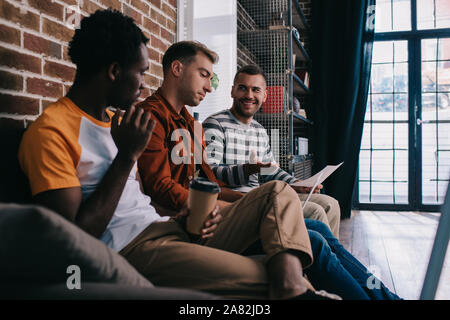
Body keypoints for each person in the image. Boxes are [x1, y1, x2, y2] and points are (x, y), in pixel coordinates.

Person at [18, 9, 333, 300]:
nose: (143, 86)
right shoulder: (52, 132)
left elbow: (148, 195)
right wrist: (127, 157)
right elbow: (70, 240)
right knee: (279, 273)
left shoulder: (118, 122)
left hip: (165, 227)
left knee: (277, 194)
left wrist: (187, 215)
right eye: (140, 73)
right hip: (130, 249)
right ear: (114, 71)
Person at [136, 41, 401, 300]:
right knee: (313, 235)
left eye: (255, 90)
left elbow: (215, 180)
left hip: (220, 208)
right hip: (197, 220)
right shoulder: (157, 117)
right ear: (177, 69)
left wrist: (283, 188)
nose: (208, 86)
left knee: (317, 228)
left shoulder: (196, 124)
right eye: (204, 75)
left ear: (264, 96)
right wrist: (239, 200)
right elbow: (162, 188)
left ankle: (385, 296)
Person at [203, 64, 340, 238]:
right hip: (239, 201)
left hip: (262, 195)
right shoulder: (215, 124)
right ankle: (319, 261)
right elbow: (210, 173)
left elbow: (270, 171)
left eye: (255, 90)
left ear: (265, 95)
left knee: (330, 204)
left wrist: (297, 183)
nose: (249, 95)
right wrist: (248, 170)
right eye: (242, 88)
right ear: (232, 91)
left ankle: (326, 260)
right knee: (315, 211)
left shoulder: (260, 130)